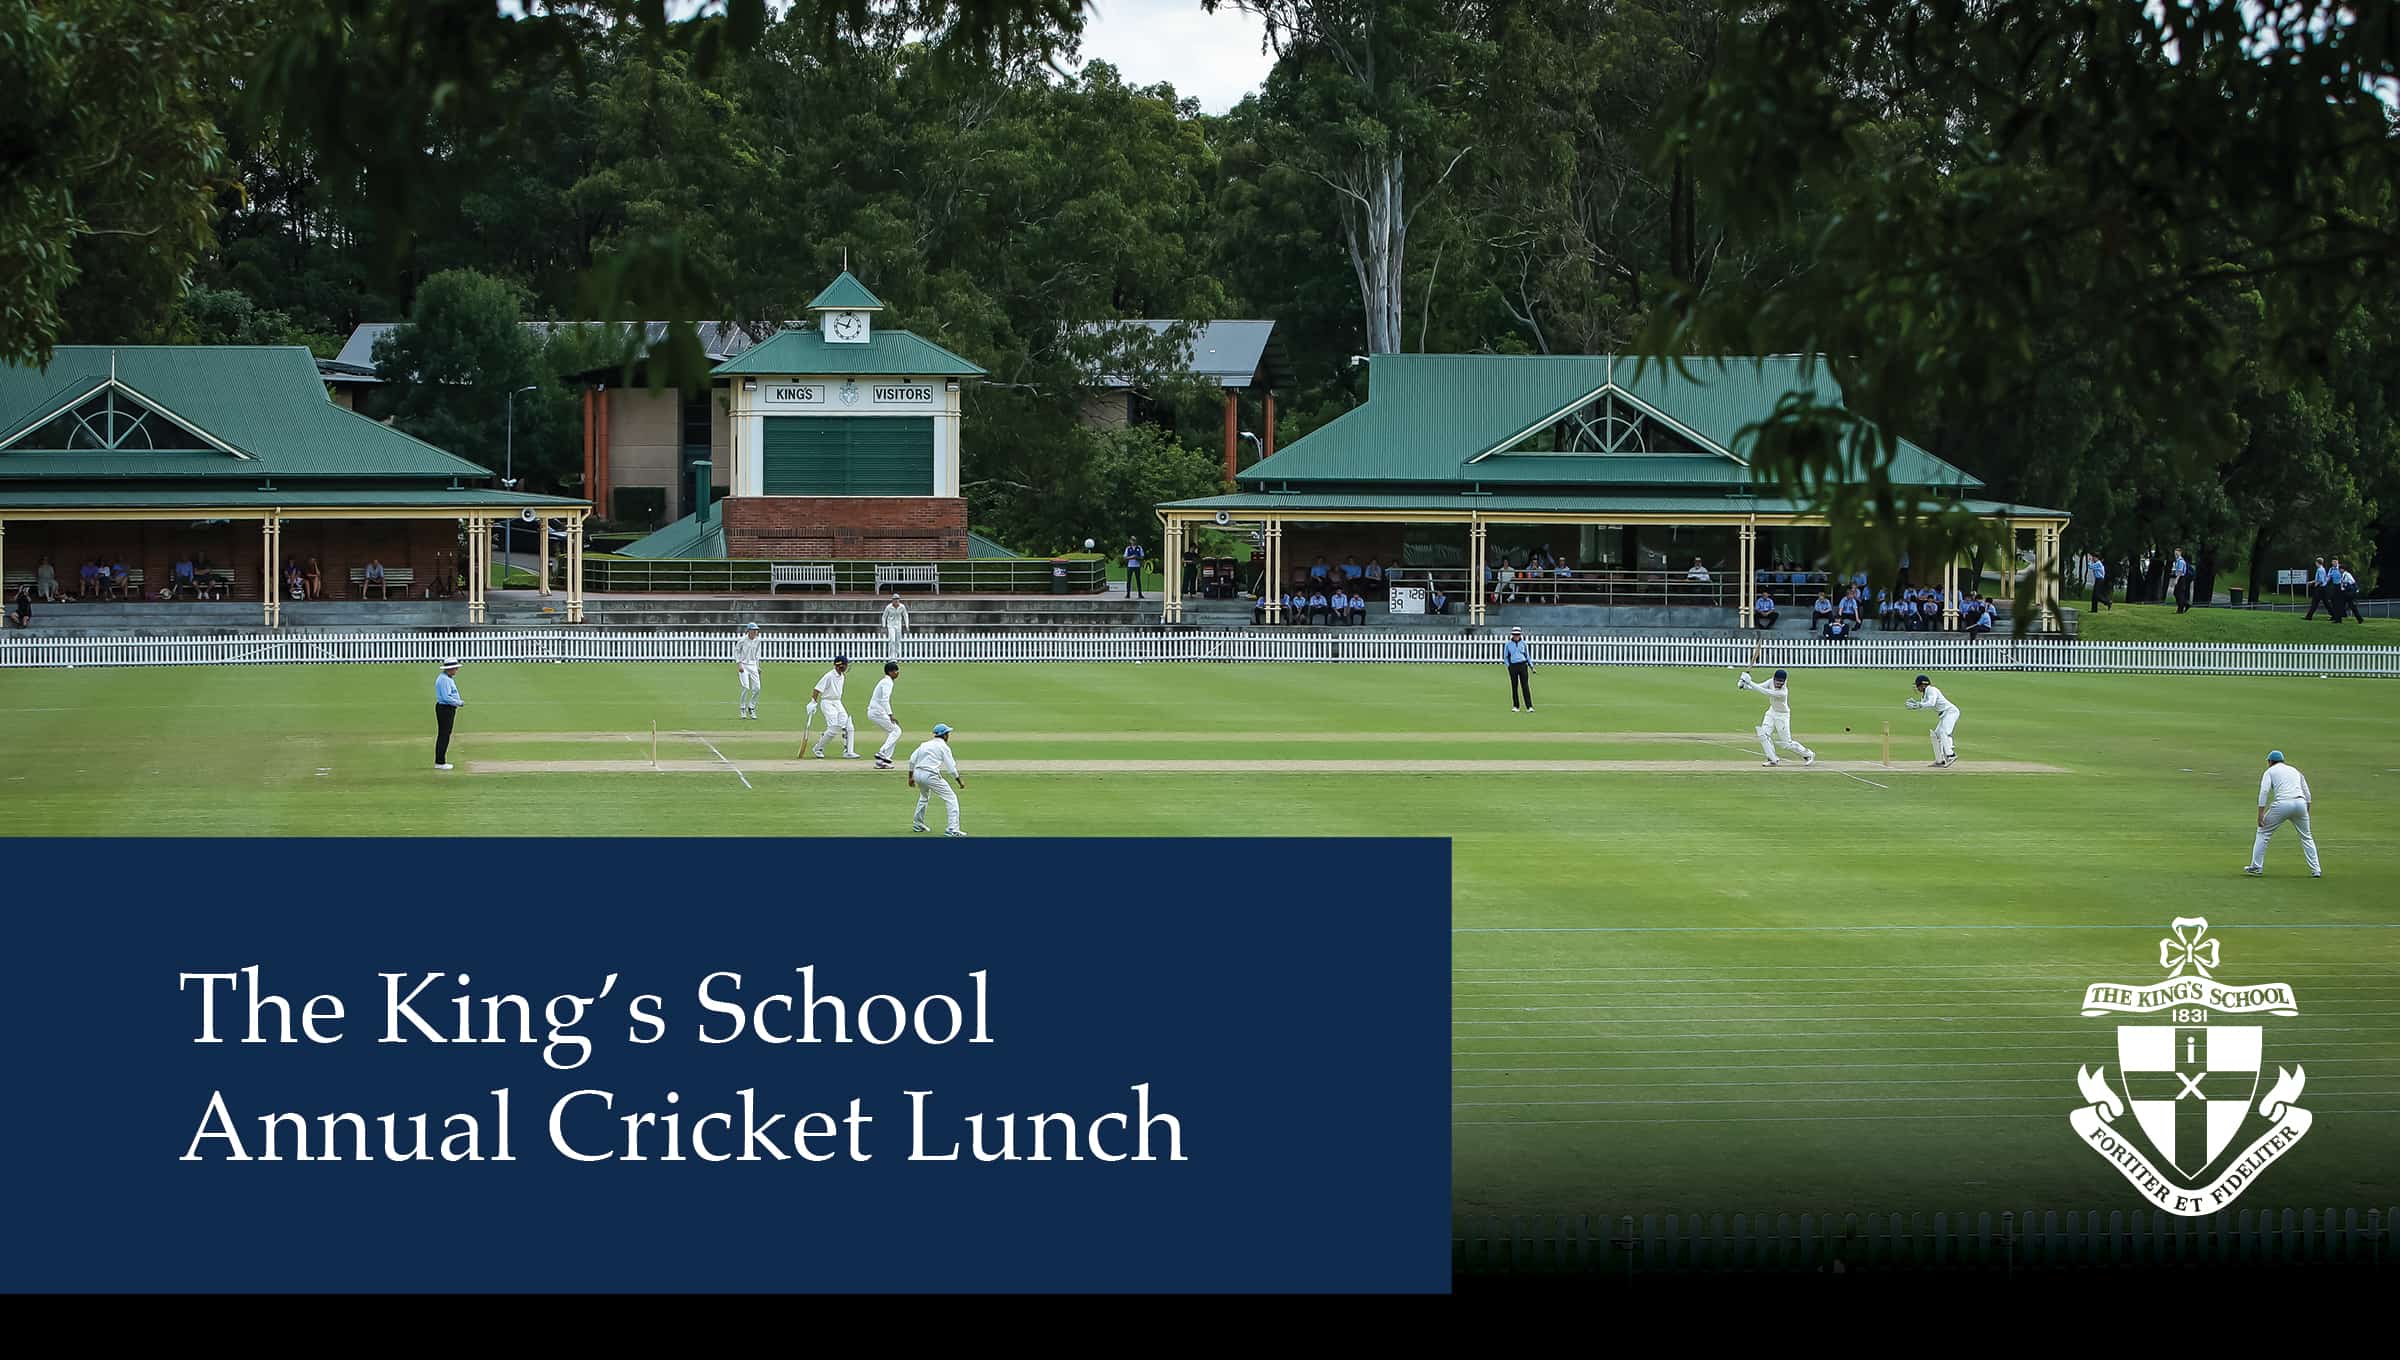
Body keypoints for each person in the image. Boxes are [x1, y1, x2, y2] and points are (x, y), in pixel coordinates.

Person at [2245, 750, 2320, 878]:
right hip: (2300, 803)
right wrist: (2306, 811)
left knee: (2263, 832)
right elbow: (2307, 793)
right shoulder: (2295, 771)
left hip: (2282, 804)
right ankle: (2316, 869)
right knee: (2307, 837)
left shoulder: (2270, 772)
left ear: (2269, 762)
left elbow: (2264, 792)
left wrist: (2260, 814)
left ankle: (2256, 866)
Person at [1737, 668, 1816, 768]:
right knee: (1764, 734)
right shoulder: (1770, 681)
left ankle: (1808, 754)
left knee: (1786, 743)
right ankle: (1772, 759)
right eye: (1777, 681)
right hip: (1771, 712)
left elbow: (1765, 692)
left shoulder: (1783, 692)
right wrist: (1745, 686)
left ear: (1784, 681)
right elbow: (1759, 686)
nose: (1779, 684)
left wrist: (1749, 681)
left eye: (1781, 682)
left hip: (1782, 716)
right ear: (1774, 679)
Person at [907, 723, 967, 836]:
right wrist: (959, 781)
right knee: (951, 798)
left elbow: (912, 760)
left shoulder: (924, 745)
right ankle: (952, 829)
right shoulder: (943, 747)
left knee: (924, 797)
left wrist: (910, 777)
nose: (948, 736)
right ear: (944, 735)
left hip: (918, 774)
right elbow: (951, 767)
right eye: (948, 734)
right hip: (930, 775)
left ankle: (917, 824)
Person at [1906, 675, 1960, 767]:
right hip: (1944, 715)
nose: (1917, 688)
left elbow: (1931, 703)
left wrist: (1919, 705)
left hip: (1951, 712)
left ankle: (1951, 755)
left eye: (1917, 685)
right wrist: (1916, 705)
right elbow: (1924, 705)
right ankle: (1940, 760)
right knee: (1935, 735)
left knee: (1944, 732)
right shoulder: (1925, 693)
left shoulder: (1931, 690)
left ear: (1923, 685)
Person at [810, 655, 858, 759]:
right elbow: (817, 689)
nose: (846, 667)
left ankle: (848, 751)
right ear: (839, 666)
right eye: (845, 665)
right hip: (827, 702)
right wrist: (813, 703)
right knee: (834, 728)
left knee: (848, 724)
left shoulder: (842, 676)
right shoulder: (829, 676)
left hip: (837, 702)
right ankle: (818, 748)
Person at [867, 661, 903, 769]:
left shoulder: (886, 681)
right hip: (877, 712)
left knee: (893, 732)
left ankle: (881, 762)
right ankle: (882, 752)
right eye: (896, 671)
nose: (897, 673)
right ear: (890, 672)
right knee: (896, 731)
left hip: (876, 711)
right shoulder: (887, 682)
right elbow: (884, 700)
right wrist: (890, 715)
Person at [433, 658, 464, 770]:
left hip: (447, 708)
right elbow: (446, 697)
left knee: (445, 734)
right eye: (455, 668)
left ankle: (440, 761)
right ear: (449, 669)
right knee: (444, 735)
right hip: (445, 708)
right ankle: (440, 762)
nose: (456, 670)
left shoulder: (446, 678)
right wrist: (458, 702)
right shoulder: (444, 680)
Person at [734, 621, 763, 720]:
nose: (756, 632)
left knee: (757, 688)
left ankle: (751, 707)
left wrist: (758, 666)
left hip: (753, 665)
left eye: (757, 630)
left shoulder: (758, 640)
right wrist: (739, 664)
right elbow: (736, 652)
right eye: (754, 630)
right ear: (749, 631)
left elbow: (757, 654)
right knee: (746, 687)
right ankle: (742, 708)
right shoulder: (742, 640)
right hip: (743, 665)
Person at [1503, 626, 1534, 712]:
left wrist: (1531, 666)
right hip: (1513, 666)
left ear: (1520, 635)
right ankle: (1516, 706)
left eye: (1517, 635)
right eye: (1514, 635)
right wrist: (1509, 666)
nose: (1516, 636)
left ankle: (1529, 706)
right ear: (1512, 635)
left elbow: (1527, 656)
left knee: (1525, 686)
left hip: (1523, 665)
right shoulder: (1508, 644)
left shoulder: (1523, 643)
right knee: (1514, 686)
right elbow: (1505, 657)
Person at [881, 593, 909, 658]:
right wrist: (884, 626)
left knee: (898, 640)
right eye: (894, 599)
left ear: (899, 600)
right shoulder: (888, 607)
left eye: (897, 599)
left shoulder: (902, 607)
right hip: (890, 625)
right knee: (892, 640)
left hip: (899, 625)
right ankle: (892, 656)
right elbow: (884, 616)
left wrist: (907, 625)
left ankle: (896, 655)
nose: (896, 601)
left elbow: (905, 616)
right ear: (892, 600)